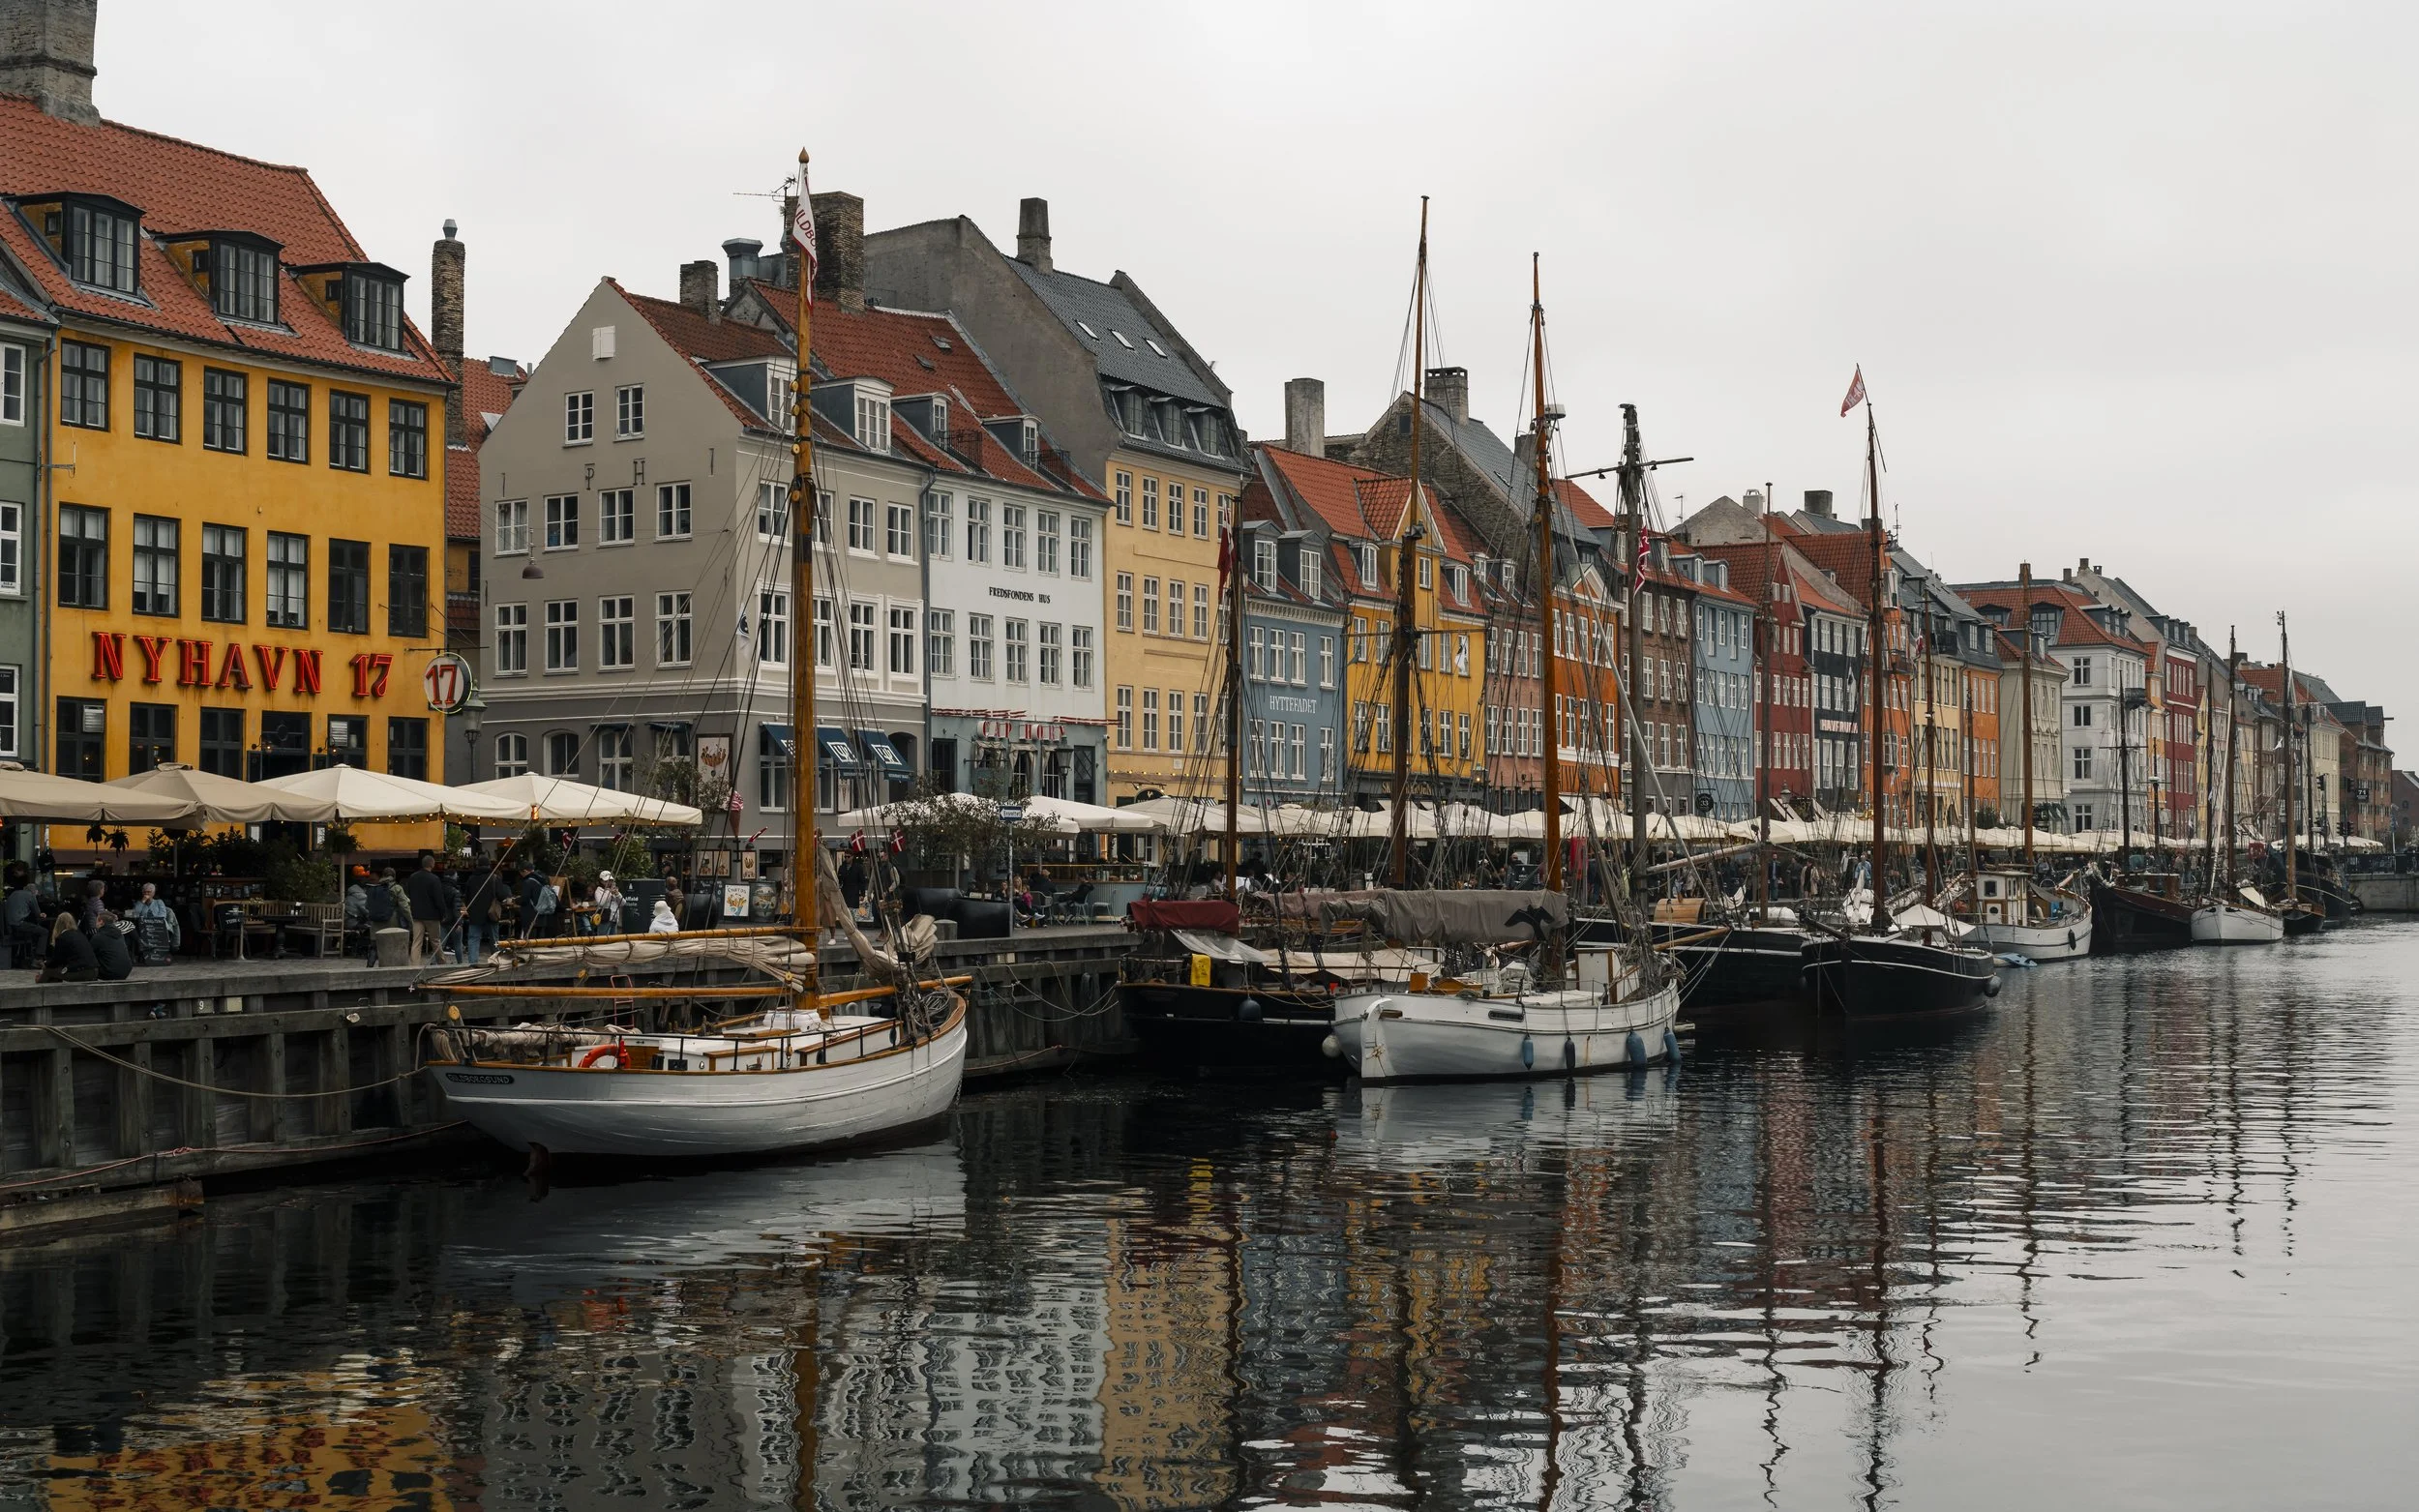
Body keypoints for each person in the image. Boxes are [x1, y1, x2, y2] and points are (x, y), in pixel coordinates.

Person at [403, 853, 450, 966]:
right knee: (435, 941)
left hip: (417, 915)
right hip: (432, 916)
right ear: (432, 864)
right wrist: (443, 913)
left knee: (417, 941)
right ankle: (442, 962)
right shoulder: (434, 879)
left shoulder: (413, 877)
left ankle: (414, 965)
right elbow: (439, 899)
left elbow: (408, 893)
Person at [460, 865, 505, 965]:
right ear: (489, 865)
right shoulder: (494, 878)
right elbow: (501, 895)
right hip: (491, 915)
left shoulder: (471, 879)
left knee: (473, 939)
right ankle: (495, 961)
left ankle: (473, 962)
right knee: (494, 939)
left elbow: (466, 897)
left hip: (475, 915)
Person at [128, 881, 179, 965]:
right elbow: (135, 914)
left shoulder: (159, 902)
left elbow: (162, 915)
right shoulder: (139, 903)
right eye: (145, 892)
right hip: (144, 927)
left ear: (153, 893)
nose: (146, 894)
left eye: (149, 892)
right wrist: (142, 901)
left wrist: (152, 922)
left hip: (159, 927)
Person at [39, 911, 97, 983]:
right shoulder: (80, 935)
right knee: (57, 971)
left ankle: (39, 982)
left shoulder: (62, 937)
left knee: (48, 972)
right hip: (94, 971)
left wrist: (46, 964)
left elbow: (57, 960)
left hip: (81, 972)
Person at [5, 866, 43, 969]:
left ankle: (24, 957)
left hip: (10, 926)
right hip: (19, 925)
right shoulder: (29, 895)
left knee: (32, 931)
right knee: (44, 932)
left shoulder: (12, 895)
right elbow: (38, 913)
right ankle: (38, 959)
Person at [89, 909, 134, 981]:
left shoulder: (98, 937)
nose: (95, 922)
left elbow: (89, 954)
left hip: (109, 972)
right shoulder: (120, 934)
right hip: (126, 970)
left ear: (101, 922)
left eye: (97, 920)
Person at [592, 870, 624, 935]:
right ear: (601, 881)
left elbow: (623, 903)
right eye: (606, 881)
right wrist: (609, 892)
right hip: (605, 919)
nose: (609, 883)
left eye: (610, 881)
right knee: (603, 939)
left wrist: (617, 894)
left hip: (614, 919)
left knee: (613, 941)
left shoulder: (614, 889)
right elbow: (601, 903)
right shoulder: (599, 890)